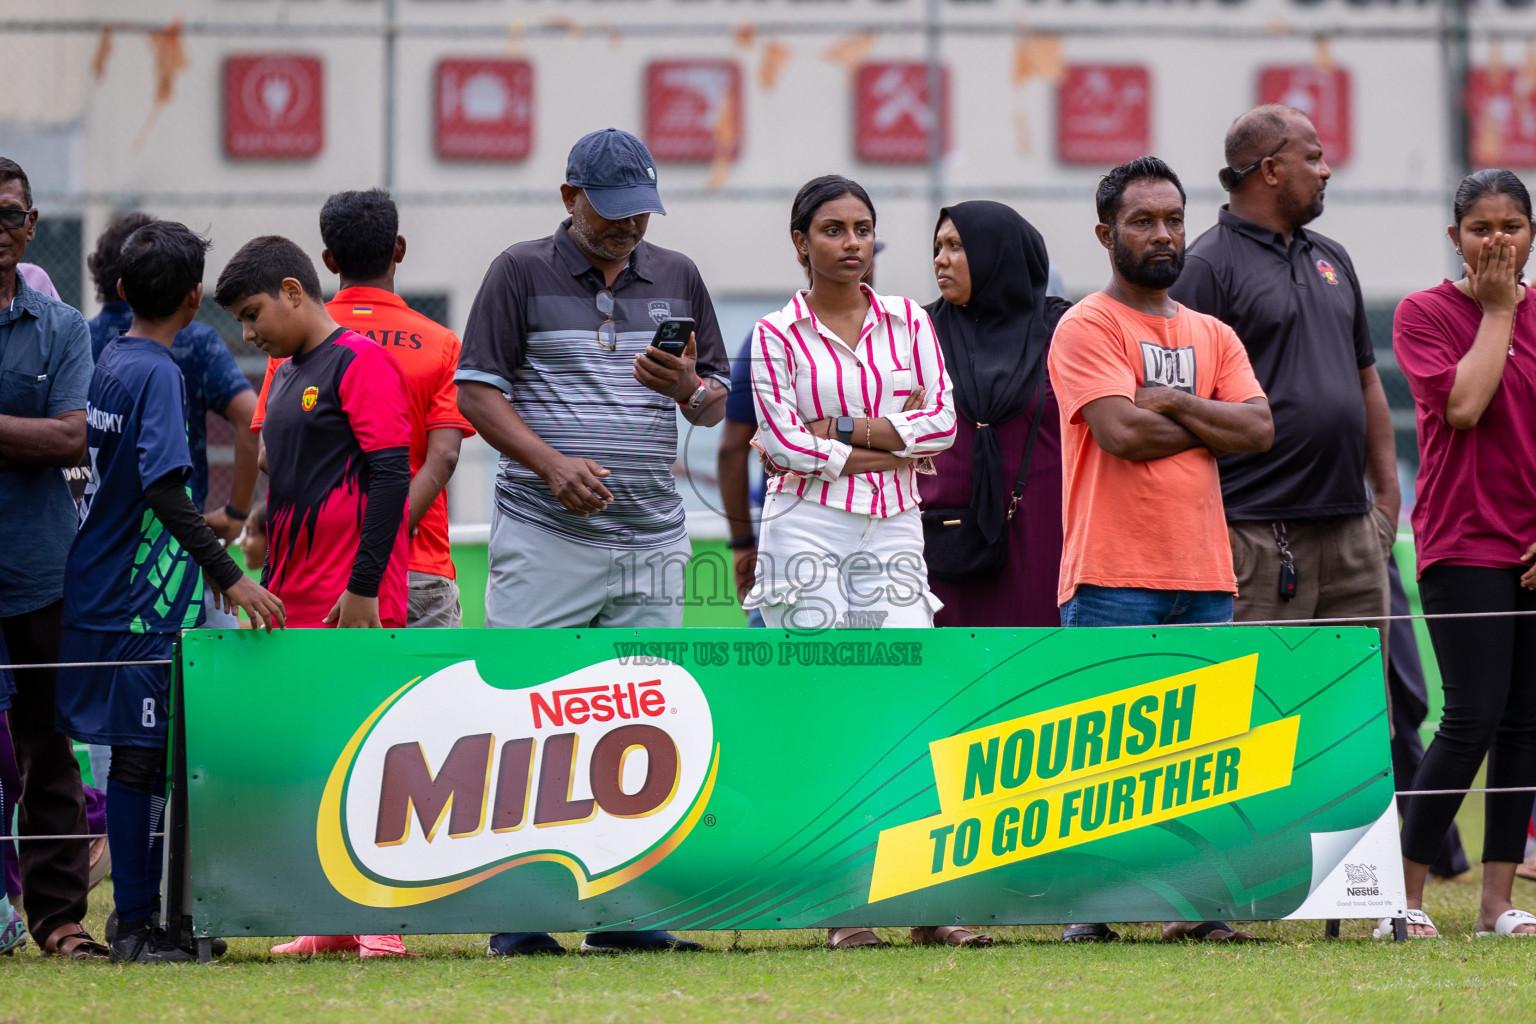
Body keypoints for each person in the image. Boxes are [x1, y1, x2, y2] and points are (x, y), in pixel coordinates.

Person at [456, 128, 728, 956]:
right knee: (527, 719)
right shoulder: (518, 272)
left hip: (652, 538)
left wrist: (689, 387)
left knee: (640, 727)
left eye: (640, 214)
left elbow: (717, 398)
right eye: (611, 213)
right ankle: (520, 917)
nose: (627, 229)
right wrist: (549, 463)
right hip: (546, 534)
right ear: (569, 198)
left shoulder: (677, 274)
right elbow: (475, 392)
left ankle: (627, 918)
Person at [1048, 156, 1272, 944]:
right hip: (1111, 572)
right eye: (1144, 221)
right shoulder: (1086, 326)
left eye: (1174, 218)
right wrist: (1211, 418)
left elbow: (1261, 429)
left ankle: (1199, 910)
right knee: (1101, 756)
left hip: (1204, 570)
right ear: (1107, 233)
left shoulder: (1211, 332)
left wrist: (1174, 399)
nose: (1164, 234)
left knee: (1205, 756)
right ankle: (1095, 912)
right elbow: (1121, 432)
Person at [53, 221, 285, 963]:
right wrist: (233, 576)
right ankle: (135, 926)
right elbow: (162, 487)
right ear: (194, 300)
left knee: (143, 757)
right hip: (142, 600)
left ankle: (157, 920)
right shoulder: (158, 372)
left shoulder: (112, 356)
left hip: (109, 588)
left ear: (120, 292)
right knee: (139, 761)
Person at [747, 174, 968, 949]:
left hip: (895, 529)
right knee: (829, 705)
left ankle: (926, 902)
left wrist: (841, 428)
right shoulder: (774, 334)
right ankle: (845, 906)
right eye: (834, 230)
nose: (852, 244)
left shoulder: (911, 320)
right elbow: (779, 441)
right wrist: (885, 443)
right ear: (801, 241)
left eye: (863, 229)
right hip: (805, 530)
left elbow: (940, 425)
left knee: (904, 700)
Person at [214, 234, 415, 958]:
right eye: (238, 320)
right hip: (292, 594)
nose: (248, 331)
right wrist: (262, 535)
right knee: (316, 757)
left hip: (352, 598)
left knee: (372, 754)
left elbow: (393, 476)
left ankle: (381, 923)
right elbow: (283, 471)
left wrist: (363, 589)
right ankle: (329, 920)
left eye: (252, 312)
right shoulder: (284, 370)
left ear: (295, 290)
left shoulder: (362, 362)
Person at [1170, 105, 1398, 639]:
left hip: (1354, 535)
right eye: (1313, 157)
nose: (1326, 171)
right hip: (1254, 537)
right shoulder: (1205, 267)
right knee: (1257, 715)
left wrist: (1385, 504)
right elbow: (1178, 406)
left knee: (1354, 716)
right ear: (1270, 170)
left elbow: (1367, 380)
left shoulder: (1333, 258)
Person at [1391, 168, 1536, 939]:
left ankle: (1497, 904)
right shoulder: (1424, 315)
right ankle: (1404, 901)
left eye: (1512, 226)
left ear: (1533, 235)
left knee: (1523, 726)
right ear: (1456, 239)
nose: (1497, 241)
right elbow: (1466, 405)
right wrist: (1498, 312)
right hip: (1463, 544)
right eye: (1481, 229)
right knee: (1470, 718)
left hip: (1532, 548)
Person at [250, 189, 474, 628]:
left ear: (329, 261)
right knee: (425, 694)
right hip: (418, 565)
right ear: (399, 249)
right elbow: (444, 456)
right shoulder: (440, 342)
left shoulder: (295, 341)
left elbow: (270, 456)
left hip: (319, 562)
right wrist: (386, 534)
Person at [0, 156, 102, 959]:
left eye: (10, 215)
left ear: (31, 227)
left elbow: (72, 436)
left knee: (48, 750)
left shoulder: (61, 327)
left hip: (39, 567)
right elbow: (47, 435)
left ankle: (60, 921)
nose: (0, 230)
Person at [85, 212, 260, 630]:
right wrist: (236, 512)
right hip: (167, 564)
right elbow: (250, 417)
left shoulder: (95, 344)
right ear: (194, 295)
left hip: (98, 553)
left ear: (120, 284)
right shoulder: (180, 352)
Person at [718, 242, 883, 624]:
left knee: (807, 669)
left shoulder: (900, 333)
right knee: (805, 665)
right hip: (805, 529)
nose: (854, 261)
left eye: (863, 237)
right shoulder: (775, 337)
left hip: (882, 530)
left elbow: (930, 429)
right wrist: (744, 544)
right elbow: (732, 448)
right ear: (805, 252)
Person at [922, 201, 1070, 627]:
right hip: (945, 540)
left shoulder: (1063, 330)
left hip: (1041, 535)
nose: (940, 259)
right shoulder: (920, 331)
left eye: (955, 246)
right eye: (937, 246)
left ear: (996, 253)